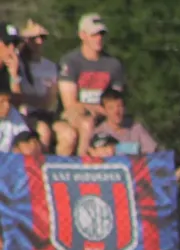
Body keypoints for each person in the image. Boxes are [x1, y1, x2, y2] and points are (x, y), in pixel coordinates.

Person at [57, 13, 125, 156]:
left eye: (101, 34)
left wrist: (104, 111)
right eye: (94, 35)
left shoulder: (113, 64)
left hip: (103, 114)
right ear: (82, 35)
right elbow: (69, 104)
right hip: (75, 115)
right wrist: (94, 109)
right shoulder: (70, 62)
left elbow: (116, 99)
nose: (99, 39)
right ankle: (81, 164)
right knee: (84, 125)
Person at [17, 20, 75, 155]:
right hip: (26, 114)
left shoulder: (50, 66)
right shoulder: (19, 65)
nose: (39, 42)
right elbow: (19, 96)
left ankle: (59, 170)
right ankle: (40, 172)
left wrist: (42, 100)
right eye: (33, 38)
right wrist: (37, 100)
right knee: (43, 132)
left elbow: (51, 99)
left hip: (46, 113)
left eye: (42, 37)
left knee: (69, 134)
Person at [92, 89, 158, 155]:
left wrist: (118, 149)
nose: (116, 112)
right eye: (111, 108)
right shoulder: (98, 133)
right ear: (104, 110)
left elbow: (153, 152)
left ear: (124, 108)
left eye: (120, 107)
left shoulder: (136, 128)